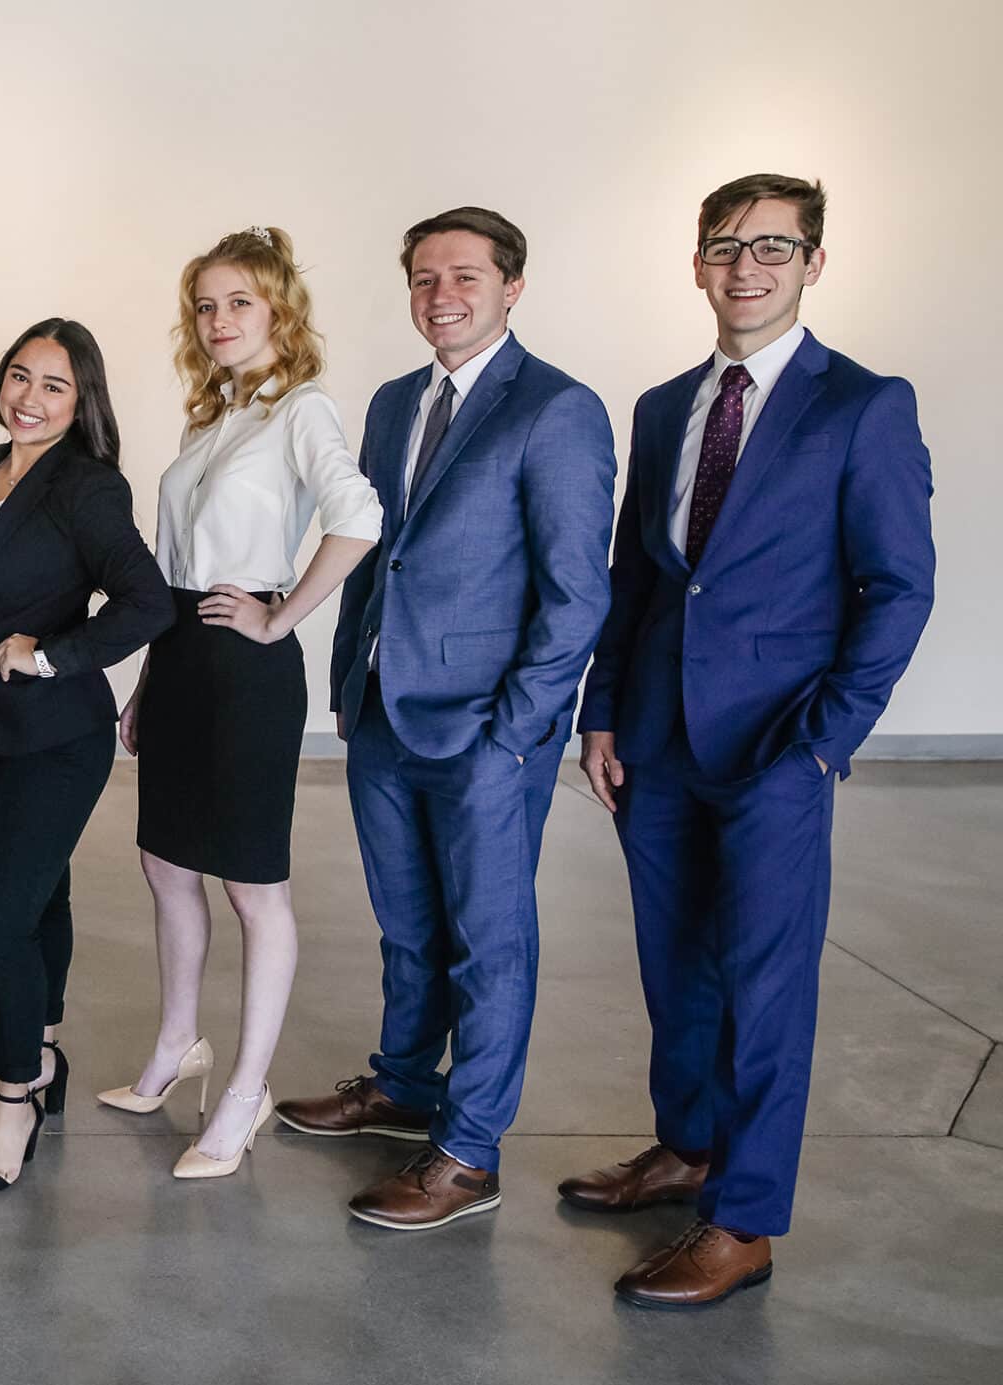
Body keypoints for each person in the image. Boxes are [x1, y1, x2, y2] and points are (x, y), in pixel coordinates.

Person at [566, 174, 934, 1307]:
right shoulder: (662, 403)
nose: (744, 267)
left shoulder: (859, 405)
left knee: (764, 984)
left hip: (778, 745)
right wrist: (600, 710)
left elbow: (897, 587)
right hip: (657, 740)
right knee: (672, 962)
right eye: (724, 245)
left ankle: (743, 1219)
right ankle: (686, 1146)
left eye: (771, 246)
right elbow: (637, 573)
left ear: (811, 262)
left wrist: (822, 742)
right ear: (694, 262)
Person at [275, 207, 616, 1231]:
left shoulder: (556, 409)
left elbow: (574, 591)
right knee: (408, 925)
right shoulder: (390, 404)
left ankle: (466, 1151)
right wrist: (345, 681)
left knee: (488, 941)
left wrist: (517, 727)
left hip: (484, 732)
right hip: (381, 712)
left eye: (463, 276)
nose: (441, 295)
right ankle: (401, 1085)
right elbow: (371, 551)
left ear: (512, 286)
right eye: (423, 278)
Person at [103, 227, 381, 1179]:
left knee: (253, 885)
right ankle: (179, 1044)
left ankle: (245, 1090)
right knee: (165, 862)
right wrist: (146, 679)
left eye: (240, 304)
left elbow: (359, 519)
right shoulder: (211, 417)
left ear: (279, 311)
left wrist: (281, 616)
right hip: (179, 657)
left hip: (246, 670)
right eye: (206, 306)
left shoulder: (303, 410)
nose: (219, 321)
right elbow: (180, 570)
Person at [0, 319, 172, 1192]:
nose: (29, 397)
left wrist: (54, 651)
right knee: (40, 896)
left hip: (58, 735)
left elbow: (146, 603)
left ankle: (15, 1101)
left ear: (83, 401)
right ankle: (48, 1051)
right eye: (19, 376)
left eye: (54, 386)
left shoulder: (88, 487)